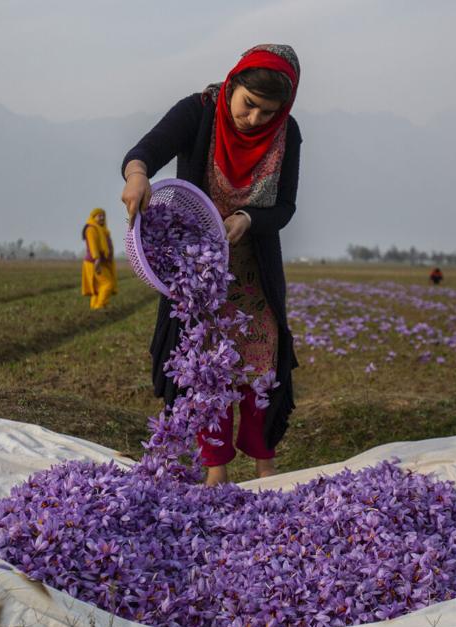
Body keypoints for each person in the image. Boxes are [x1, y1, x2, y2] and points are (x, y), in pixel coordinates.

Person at [120, 44, 302, 486]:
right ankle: (214, 470)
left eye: (268, 112)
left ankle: (264, 469)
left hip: (253, 269)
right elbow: (146, 149)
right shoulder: (199, 111)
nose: (256, 119)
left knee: (261, 367)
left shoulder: (287, 133)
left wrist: (247, 219)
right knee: (205, 365)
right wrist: (137, 175)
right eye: (249, 104)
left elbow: (285, 208)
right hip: (197, 272)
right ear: (232, 84)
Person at [80, 207, 117, 309]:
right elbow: (93, 246)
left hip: (101, 262)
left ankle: (94, 307)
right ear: (93, 217)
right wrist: (96, 259)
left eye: (103, 216)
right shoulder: (91, 229)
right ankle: (99, 307)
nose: (102, 218)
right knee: (107, 284)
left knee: (98, 287)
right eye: (99, 216)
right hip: (94, 262)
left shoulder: (103, 230)